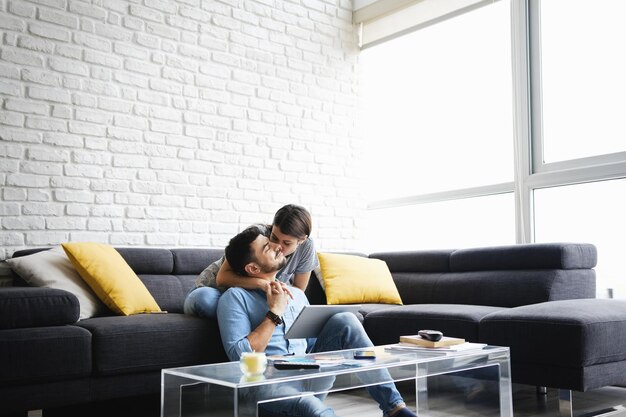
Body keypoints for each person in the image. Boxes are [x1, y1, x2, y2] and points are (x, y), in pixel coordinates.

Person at [217, 225, 418, 417]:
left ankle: (395, 408)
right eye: (268, 247)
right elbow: (239, 357)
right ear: (252, 268)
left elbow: (312, 345)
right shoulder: (235, 298)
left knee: (346, 320)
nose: (278, 246)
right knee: (313, 408)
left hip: (307, 375)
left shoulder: (295, 294)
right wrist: (275, 311)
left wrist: (333, 355)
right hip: (269, 386)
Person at [184, 204, 318, 319]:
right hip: (216, 291)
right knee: (204, 298)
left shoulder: (307, 248)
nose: (278, 246)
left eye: (287, 243)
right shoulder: (257, 235)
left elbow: (298, 293)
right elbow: (222, 278)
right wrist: (262, 284)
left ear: (302, 240)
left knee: (300, 314)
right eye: (274, 238)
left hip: (250, 300)